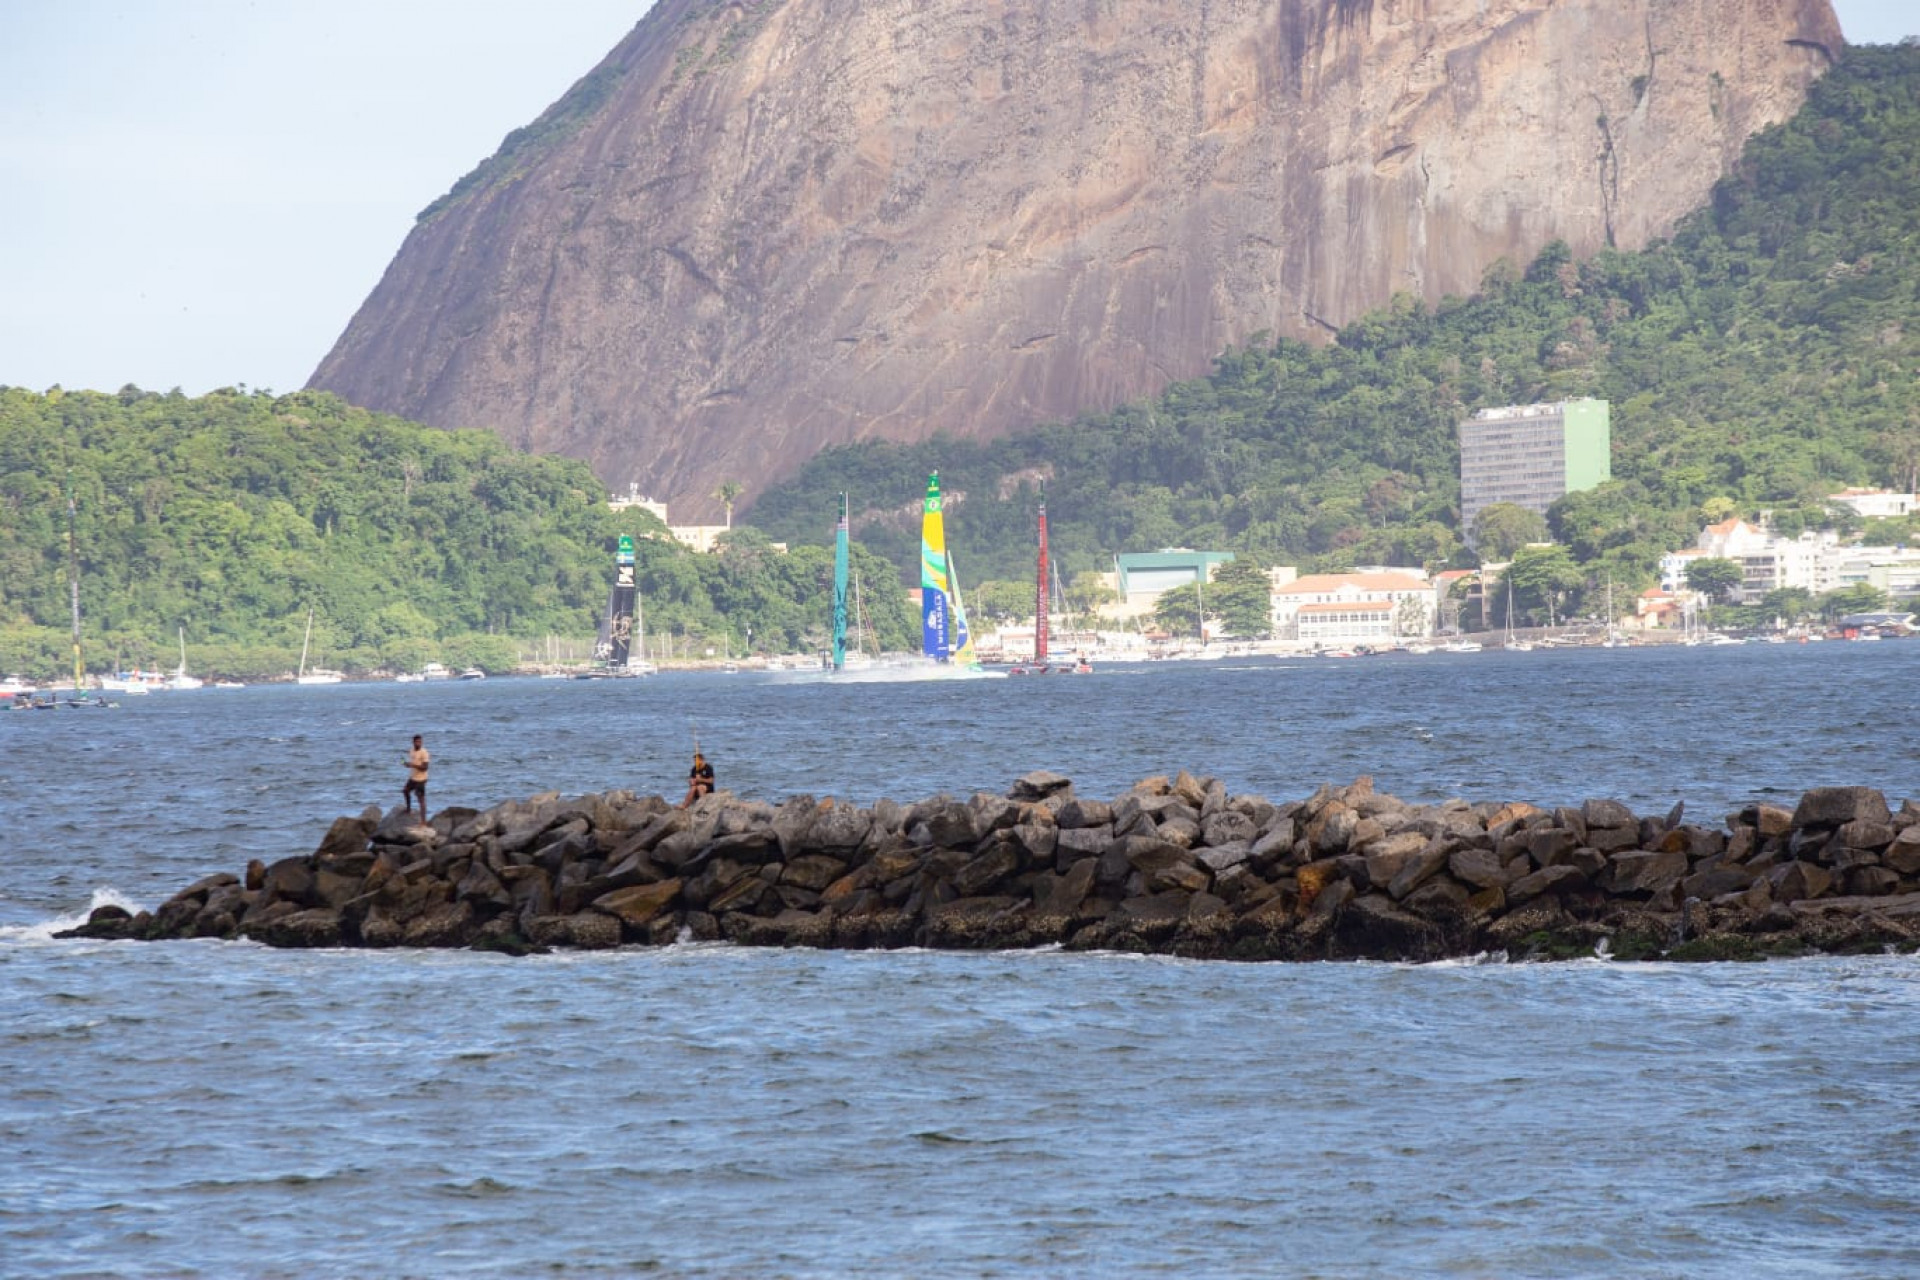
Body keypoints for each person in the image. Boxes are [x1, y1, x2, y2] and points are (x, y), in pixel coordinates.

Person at [403, 733, 431, 822]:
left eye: (420, 742)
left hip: (421, 779)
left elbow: (425, 768)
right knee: (405, 791)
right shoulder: (411, 750)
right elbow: (412, 761)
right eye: (417, 742)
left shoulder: (424, 753)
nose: (419, 743)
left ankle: (423, 822)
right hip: (413, 777)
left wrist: (413, 765)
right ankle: (408, 809)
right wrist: (407, 764)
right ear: (413, 742)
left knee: (421, 800)